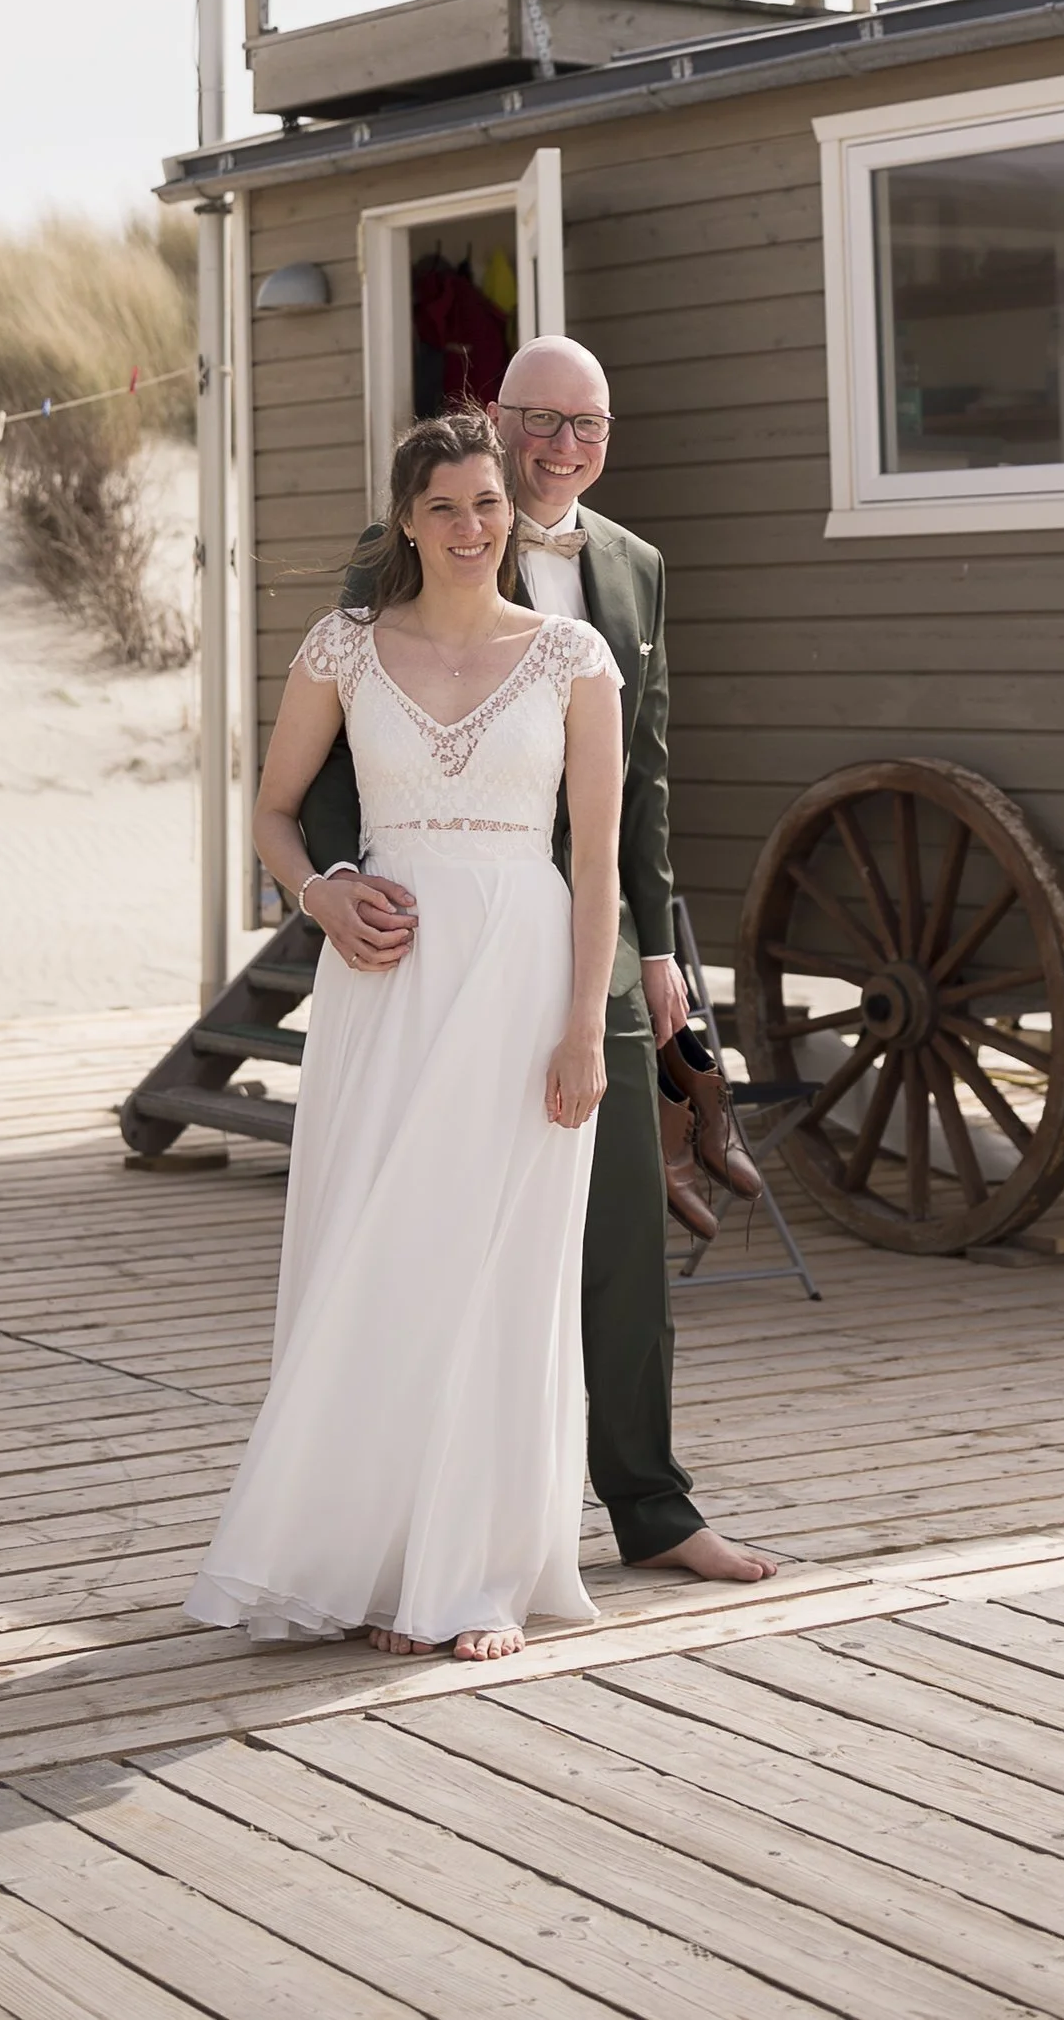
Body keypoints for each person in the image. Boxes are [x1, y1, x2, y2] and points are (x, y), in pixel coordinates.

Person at [298, 333, 779, 1587]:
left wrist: (658, 946)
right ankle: (419, 1524)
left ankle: (653, 1508)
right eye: (541, 420)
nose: (563, 447)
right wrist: (339, 886)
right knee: (436, 1231)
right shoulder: (420, 540)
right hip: (430, 938)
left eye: (589, 424)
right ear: (496, 420)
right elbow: (339, 749)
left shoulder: (635, 568)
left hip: (588, 942)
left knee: (620, 1231)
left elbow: (647, 776)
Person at [184, 409, 623, 1659]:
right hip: (385, 985)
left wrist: (583, 1030)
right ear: (406, 522)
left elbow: (595, 865)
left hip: (525, 981)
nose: (472, 526)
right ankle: (370, 1569)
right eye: (444, 507)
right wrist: (320, 893)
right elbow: (274, 811)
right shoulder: (342, 647)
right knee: (375, 1253)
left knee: (500, 1267)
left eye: (488, 502)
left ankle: (471, 1576)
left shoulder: (573, 657)